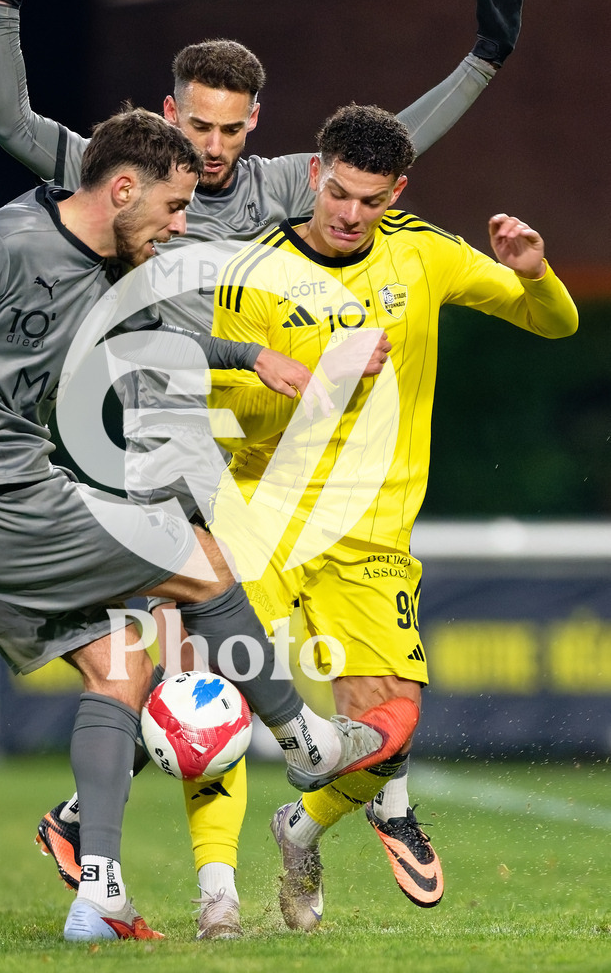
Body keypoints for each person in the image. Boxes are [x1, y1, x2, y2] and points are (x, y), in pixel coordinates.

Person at [0, 0, 526, 935]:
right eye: (199, 126)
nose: (214, 146)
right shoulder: (126, 173)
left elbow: (387, 154)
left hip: (259, 452)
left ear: (256, 126)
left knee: (216, 672)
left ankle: (111, 829)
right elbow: (10, 125)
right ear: (169, 112)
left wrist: (482, 59)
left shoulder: (278, 187)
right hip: (166, 448)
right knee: (187, 666)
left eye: (232, 129)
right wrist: (3, 4)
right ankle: (190, 845)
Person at [0, 105, 418, 943]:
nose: (182, 225)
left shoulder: (119, 269)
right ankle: (305, 741)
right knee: (199, 558)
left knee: (122, 669)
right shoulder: (1, 243)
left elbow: (161, 343)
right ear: (123, 189)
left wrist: (252, 357)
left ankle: (99, 894)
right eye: (174, 207)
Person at [206, 102, 578, 931]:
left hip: (371, 534)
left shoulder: (423, 252)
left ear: (397, 192)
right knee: (215, 706)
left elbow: (557, 323)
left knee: (390, 728)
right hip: (263, 520)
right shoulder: (251, 273)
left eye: (371, 200)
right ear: (314, 174)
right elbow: (230, 422)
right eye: (339, 192)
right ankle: (213, 895)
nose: (350, 213)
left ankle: (301, 827)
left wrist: (534, 273)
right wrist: (322, 376)